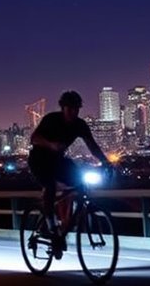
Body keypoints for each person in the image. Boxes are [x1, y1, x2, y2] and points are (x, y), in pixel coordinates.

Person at [28, 90, 112, 258]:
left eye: (77, 109)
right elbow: (34, 138)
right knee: (50, 185)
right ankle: (51, 225)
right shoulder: (51, 119)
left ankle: (64, 227)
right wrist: (51, 145)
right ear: (63, 108)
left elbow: (92, 146)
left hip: (59, 160)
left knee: (80, 183)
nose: (74, 112)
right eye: (70, 109)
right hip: (39, 160)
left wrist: (106, 162)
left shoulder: (80, 125)